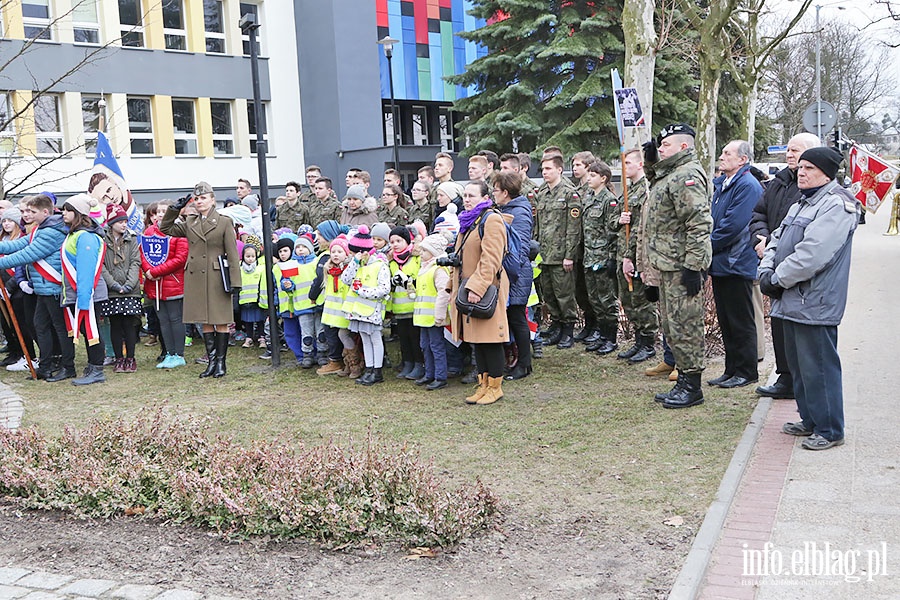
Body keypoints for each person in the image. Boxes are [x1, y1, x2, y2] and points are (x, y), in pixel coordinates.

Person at [759, 147, 859, 450]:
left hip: (814, 301)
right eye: (800, 167)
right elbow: (776, 239)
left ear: (827, 173)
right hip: (791, 299)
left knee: (819, 367)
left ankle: (830, 429)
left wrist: (777, 279)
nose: (801, 172)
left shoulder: (836, 205)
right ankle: (810, 419)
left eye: (809, 168)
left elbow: (812, 254)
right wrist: (766, 270)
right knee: (800, 367)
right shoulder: (803, 202)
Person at [641, 123, 713, 409]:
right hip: (668, 264)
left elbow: (698, 223)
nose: (661, 148)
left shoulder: (687, 175)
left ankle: (692, 386)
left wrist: (694, 266)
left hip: (683, 264)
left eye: (666, 145)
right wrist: (650, 163)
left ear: (684, 147)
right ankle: (683, 379)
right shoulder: (671, 172)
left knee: (686, 326)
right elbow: (658, 186)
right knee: (673, 326)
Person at [749, 132, 820, 399]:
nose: (790, 155)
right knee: (778, 322)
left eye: (796, 151)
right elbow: (759, 214)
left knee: (795, 325)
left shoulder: (814, 189)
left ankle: (798, 380)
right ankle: (785, 376)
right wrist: (761, 239)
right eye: (788, 150)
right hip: (770, 258)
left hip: (794, 266)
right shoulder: (778, 182)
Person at [160, 181, 241, 378]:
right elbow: (166, 228)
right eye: (196, 199)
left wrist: (235, 282)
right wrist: (174, 209)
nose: (199, 202)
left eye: (203, 198)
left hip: (216, 277)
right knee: (203, 320)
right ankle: (211, 361)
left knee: (220, 320)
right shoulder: (191, 222)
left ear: (213, 200)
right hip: (196, 277)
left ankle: (221, 362)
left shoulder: (224, 222)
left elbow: (232, 254)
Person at [449, 180, 510, 405]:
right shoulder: (470, 222)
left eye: (472, 195)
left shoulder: (491, 220)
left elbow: (491, 259)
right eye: (464, 195)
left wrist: (477, 286)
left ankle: (495, 386)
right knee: (478, 340)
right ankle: (484, 385)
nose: (466, 199)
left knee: (491, 339)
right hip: (469, 289)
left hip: (486, 288)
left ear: (485, 198)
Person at [707, 140, 762, 389]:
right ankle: (731, 369)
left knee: (740, 320)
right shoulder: (724, 184)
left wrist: (707, 246)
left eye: (727, 153)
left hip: (736, 261)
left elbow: (732, 226)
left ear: (743, 159)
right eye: (722, 152)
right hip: (721, 262)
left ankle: (747, 371)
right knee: (727, 320)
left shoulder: (747, 185)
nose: (722, 156)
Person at [0, 194, 73, 381]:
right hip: (42, 288)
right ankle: (45, 366)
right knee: (40, 327)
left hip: (53, 288)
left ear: (45, 212)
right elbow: (17, 245)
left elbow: (27, 254)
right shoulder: (40, 229)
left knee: (60, 329)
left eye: (32, 211)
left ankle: (68, 367)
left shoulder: (52, 232)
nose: (27, 215)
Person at [614, 149, 659, 365]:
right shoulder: (627, 191)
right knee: (629, 300)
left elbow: (641, 228)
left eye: (629, 163)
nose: (625, 167)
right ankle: (639, 340)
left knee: (641, 300)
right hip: (622, 252)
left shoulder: (646, 191)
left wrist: (630, 256)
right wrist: (620, 220)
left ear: (641, 164)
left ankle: (648, 343)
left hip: (636, 254)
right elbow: (614, 223)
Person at [59, 194, 109, 385]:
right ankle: (92, 365)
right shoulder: (74, 234)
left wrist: (83, 297)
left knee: (91, 330)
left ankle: (97, 369)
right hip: (78, 292)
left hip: (88, 294)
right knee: (86, 329)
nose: (64, 213)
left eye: (68, 210)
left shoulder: (86, 237)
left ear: (78, 213)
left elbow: (86, 270)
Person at [534, 155, 582, 349]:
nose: (545, 172)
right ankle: (556, 326)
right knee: (549, 294)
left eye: (548, 169)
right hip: (544, 253)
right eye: (543, 169)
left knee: (564, 295)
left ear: (559, 170)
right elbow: (538, 225)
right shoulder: (542, 192)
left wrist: (569, 255)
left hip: (562, 254)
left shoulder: (570, 193)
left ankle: (568, 330)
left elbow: (573, 228)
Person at [492, 171, 534, 380]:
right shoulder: (504, 209)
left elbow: (521, 246)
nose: (493, 193)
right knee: (510, 317)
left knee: (517, 317)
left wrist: (510, 272)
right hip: (507, 271)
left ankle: (524, 364)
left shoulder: (519, 212)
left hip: (516, 273)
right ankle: (516, 360)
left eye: (496, 190)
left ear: (506, 193)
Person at [578, 161, 621, 355]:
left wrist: (612, 258)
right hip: (589, 256)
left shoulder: (609, 200)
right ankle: (602, 335)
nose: (589, 179)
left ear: (603, 178)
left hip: (602, 257)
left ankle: (611, 338)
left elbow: (612, 232)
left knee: (606, 300)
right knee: (595, 299)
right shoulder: (589, 198)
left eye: (593, 175)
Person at [340, 225, 391, 386]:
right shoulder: (358, 264)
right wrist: (354, 262)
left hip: (372, 308)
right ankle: (369, 368)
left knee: (375, 339)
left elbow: (384, 288)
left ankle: (377, 370)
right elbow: (346, 279)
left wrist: (362, 292)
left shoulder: (380, 265)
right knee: (365, 338)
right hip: (359, 309)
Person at [141, 201, 189, 369]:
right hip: (155, 285)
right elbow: (144, 254)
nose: (161, 214)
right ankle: (169, 353)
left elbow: (180, 258)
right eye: (158, 211)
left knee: (175, 319)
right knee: (163, 320)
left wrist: (156, 271)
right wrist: (148, 271)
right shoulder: (150, 231)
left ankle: (179, 354)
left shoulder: (179, 231)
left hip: (173, 284)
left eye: (165, 211)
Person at [100, 206, 142, 374]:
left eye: (125, 222)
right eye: (120, 222)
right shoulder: (102, 240)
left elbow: (135, 262)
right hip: (112, 290)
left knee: (129, 324)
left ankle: (130, 358)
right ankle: (118, 358)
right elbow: (101, 265)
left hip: (130, 289)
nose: (124, 225)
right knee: (115, 324)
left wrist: (129, 284)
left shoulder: (131, 239)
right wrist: (114, 285)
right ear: (112, 223)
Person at [412, 233, 453, 390]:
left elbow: (444, 293)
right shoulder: (424, 268)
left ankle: (440, 376)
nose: (421, 253)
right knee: (425, 345)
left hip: (434, 317)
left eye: (424, 251)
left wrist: (440, 314)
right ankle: (429, 373)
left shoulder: (438, 269)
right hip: (423, 317)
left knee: (436, 346)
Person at [387, 225, 424, 381]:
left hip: (414, 305)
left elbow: (421, 278)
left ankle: (419, 364)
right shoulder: (391, 262)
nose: (395, 244)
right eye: (392, 241)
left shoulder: (416, 258)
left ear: (407, 241)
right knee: (404, 338)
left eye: (398, 241)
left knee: (415, 337)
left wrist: (409, 281)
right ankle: (407, 362)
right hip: (399, 306)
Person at [0, 206, 34, 372]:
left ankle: (28, 355)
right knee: (8, 324)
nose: (6, 224)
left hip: (17, 287)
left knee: (22, 323)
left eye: (9, 221)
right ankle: (16, 352)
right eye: (3, 221)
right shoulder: (3, 240)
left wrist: (10, 286)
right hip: (4, 287)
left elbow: (20, 265)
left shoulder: (21, 239)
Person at [238, 242, 266, 348]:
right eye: (247, 256)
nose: (250, 259)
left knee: (260, 320)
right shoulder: (240, 270)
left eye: (252, 256)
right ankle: (248, 337)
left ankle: (261, 337)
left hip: (257, 299)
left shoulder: (260, 269)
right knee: (247, 320)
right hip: (244, 300)